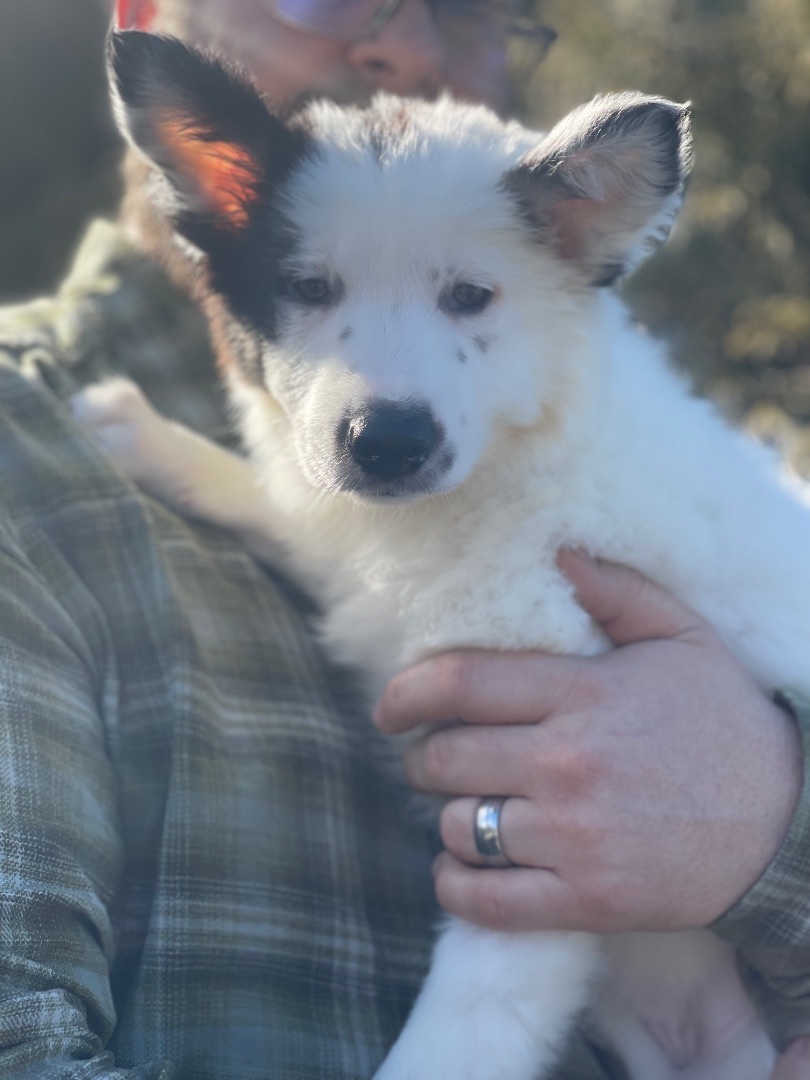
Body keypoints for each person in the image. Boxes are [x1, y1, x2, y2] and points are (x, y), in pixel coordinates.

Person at [0, 1, 807, 1077]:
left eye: (472, 8)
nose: (409, 46)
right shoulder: (30, 447)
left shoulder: (591, 480)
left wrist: (776, 819)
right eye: (313, 287)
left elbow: (547, 851)